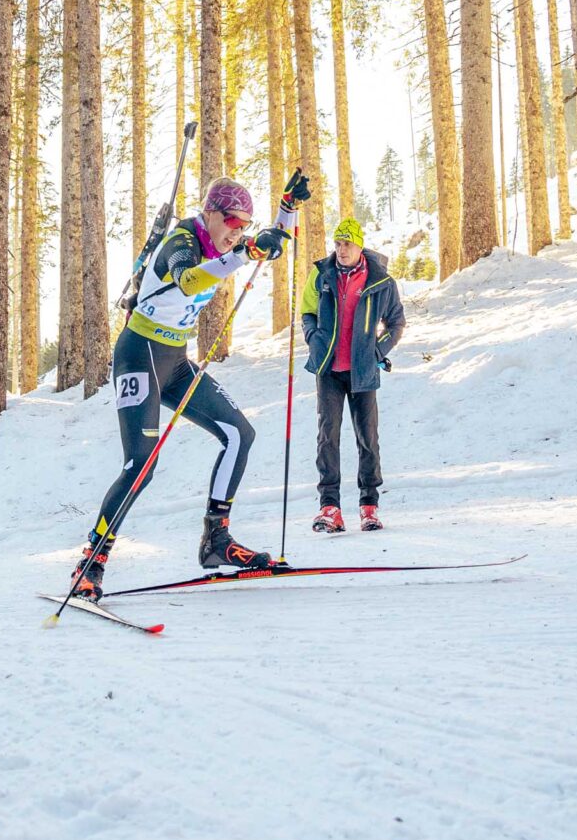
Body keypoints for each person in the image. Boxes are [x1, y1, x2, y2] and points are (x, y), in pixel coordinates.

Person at [69, 172, 310, 601]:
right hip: (138, 354)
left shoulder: (226, 247)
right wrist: (247, 251)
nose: (237, 233)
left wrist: (286, 210)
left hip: (176, 361)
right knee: (141, 465)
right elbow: (189, 280)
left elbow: (269, 244)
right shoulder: (182, 240)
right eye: (232, 222)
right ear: (211, 213)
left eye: (244, 226)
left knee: (240, 433)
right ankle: (92, 561)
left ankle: (216, 540)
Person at [299, 217, 405, 534]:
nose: (341, 249)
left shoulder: (380, 280)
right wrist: (313, 338)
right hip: (328, 369)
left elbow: (396, 322)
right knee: (327, 437)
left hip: (363, 370)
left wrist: (378, 351)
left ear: (359, 246)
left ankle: (369, 507)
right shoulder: (321, 274)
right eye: (337, 243)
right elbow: (307, 311)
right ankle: (329, 508)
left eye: (347, 243)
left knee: (367, 438)